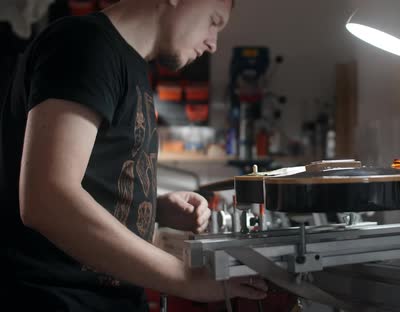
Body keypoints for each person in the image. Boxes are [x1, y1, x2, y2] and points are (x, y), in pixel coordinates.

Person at [0, 0, 268, 310]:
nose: (213, 44)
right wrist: (187, 279)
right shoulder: (85, 45)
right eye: (213, 21)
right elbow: (47, 201)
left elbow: (87, 183)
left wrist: (151, 209)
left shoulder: (128, 64)